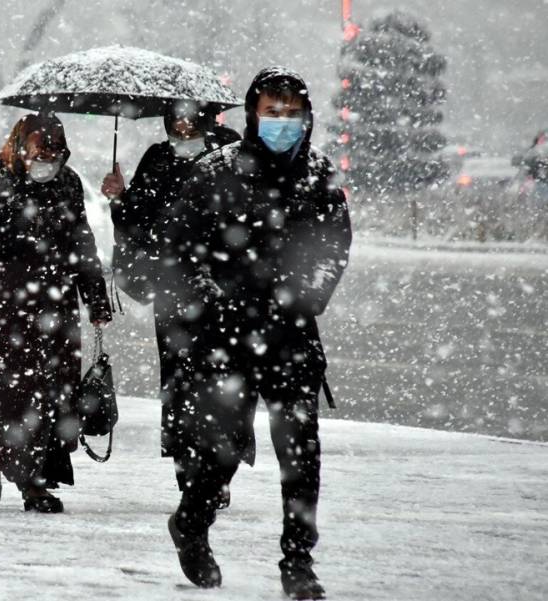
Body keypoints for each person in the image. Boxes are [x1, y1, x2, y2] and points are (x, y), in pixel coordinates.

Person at [162, 67, 352, 599]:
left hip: (291, 335)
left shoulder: (318, 175)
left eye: (291, 113)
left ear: (306, 117)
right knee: (222, 449)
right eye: (272, 112)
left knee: (300, 454)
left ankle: (298, 562)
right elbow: (180, 246)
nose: (282, 122)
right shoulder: (215, 171)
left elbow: (333, 247)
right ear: (252, 114)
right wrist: (212, 301)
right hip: (224, 337)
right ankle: (192, 523)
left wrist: (305, 297)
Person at [0, 112, 112, 513]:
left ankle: (36, 482)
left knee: (50, 394)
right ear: (20, 145)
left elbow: (81, 241)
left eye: (55, 150)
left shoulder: (67, 183)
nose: (47, 158)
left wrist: (95, 297)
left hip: (53, 304)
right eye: (40, 148)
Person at [100, 102, 241, 463]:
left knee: (220, 376)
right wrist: (120, 197)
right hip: (172, 287)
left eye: (189, 119)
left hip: (222, 287)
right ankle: (185, 459)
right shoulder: (158, 158)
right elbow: (135, 223)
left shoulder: (230, 153)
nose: (181, 127)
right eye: (175, 120)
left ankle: (217, 461)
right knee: (179, 377)